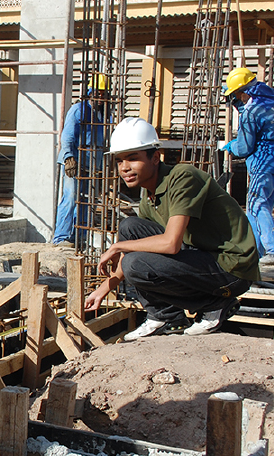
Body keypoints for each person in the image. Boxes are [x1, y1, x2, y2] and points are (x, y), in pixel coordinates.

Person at [85, 117, 259, 340]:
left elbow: (171, 243)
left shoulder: (182, 178)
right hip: (203, 259)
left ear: (155, 157)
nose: (124, 167)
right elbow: (143, 244)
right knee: (130, 228)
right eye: (119, 161)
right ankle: (164, 316)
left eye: (132, 158)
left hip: (232, 268)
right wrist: (104, 288)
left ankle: (215, 304)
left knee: (133, 261)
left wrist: (117, 247)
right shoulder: (150, 197)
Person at [220, 67, 274, 265]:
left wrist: (231, 145)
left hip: (263, 162)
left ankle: (272, 250)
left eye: (235, 95)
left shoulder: (251, 112)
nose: (236, 99)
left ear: (243, 91)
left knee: (258, 204)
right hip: (272, 162)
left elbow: (244, 147)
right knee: (258, 207)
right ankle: (256, 254)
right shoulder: (270, 100)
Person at [52, 74, 108, 247]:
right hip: (75, 164)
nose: (100, 97)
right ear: (90, 91)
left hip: (92, 166)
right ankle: (61, 237)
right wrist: (68, 157)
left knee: (87, 201)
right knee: (70, 198)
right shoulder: (79, 110)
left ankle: (79, 237)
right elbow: (67, 136)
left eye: (103, 93)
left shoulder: (103, 115)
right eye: (97, 93)